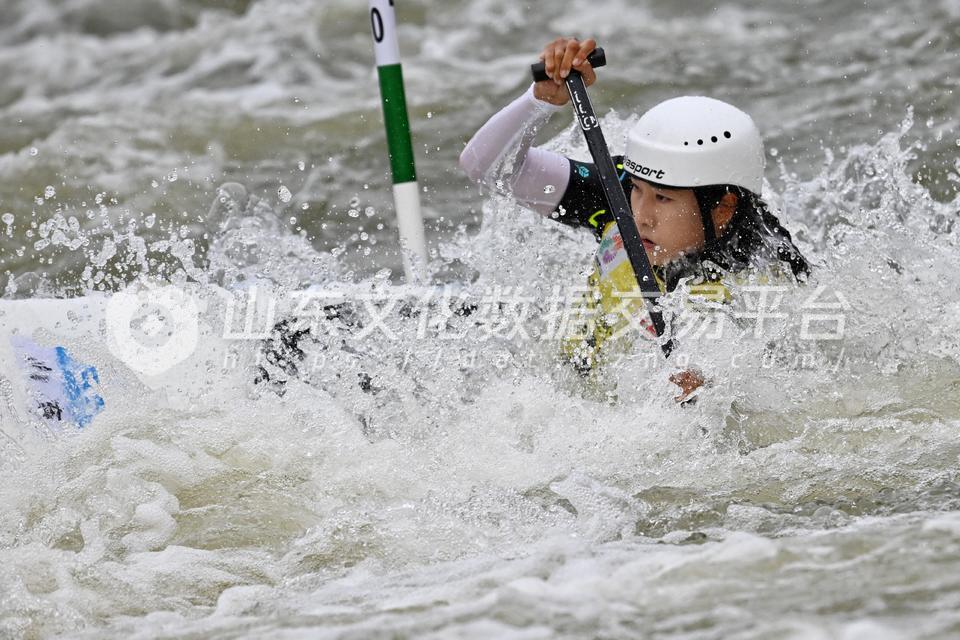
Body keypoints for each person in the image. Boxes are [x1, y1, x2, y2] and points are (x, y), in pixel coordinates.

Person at [459, 37, 809, 400]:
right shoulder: (617, 193)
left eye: (662, 198)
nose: (640, 215)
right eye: (638, 190)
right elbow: (485, 167)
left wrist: (714, 391)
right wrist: (540, 101)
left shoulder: (764, 279)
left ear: (723, 208)